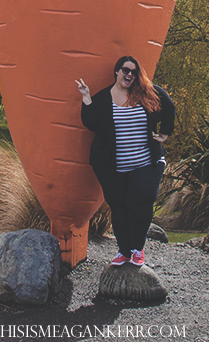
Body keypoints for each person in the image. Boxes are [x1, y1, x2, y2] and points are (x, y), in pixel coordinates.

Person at [75, 55, 175, 267]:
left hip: (146, 162)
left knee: (141, 201)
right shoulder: (103, 98)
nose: (129, 74)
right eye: (125, 70)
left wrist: (165, 133)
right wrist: (86, 97)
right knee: (119, 206)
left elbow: (169, 106)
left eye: (133, 71)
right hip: (114, 167)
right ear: (117, 72)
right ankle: (124, 251)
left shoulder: (146, 93)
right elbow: (91, 123)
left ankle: (138, 249)